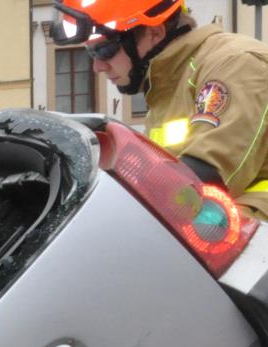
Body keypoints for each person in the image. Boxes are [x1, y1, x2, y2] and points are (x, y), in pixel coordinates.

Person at [54, 0, 268, 218]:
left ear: (155, 33)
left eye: (105, 50)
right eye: (92, 54)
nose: (97, 66)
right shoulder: (166, 86)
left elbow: (202, 179)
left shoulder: (233, 64)